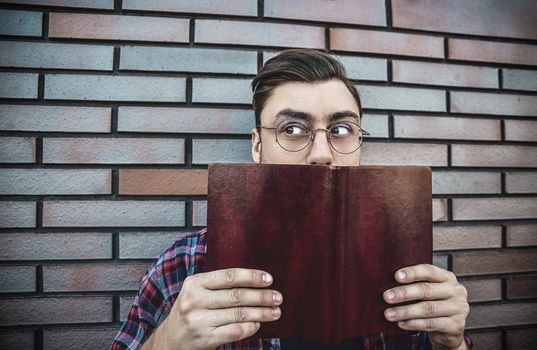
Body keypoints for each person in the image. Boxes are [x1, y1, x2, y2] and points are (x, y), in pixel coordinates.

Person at [112, 49, 471, 350]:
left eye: (342, 130)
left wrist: (452, 345)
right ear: (257, 145)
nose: (321, 153)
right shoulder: (185, 265)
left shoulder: (403, 269)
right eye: (292, 129)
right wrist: (167, 342)